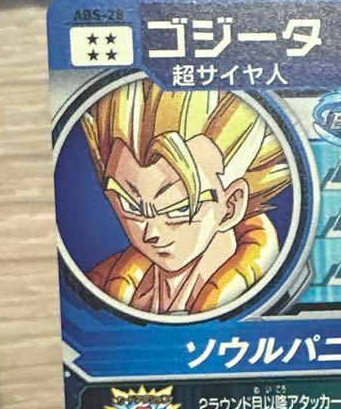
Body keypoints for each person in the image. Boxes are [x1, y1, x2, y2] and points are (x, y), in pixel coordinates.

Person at [81, 80, 290, 315]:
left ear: (231, 206)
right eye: (130, 206)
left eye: (179, 210)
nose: (151, 233)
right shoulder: (99, 289)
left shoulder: (266, 296)